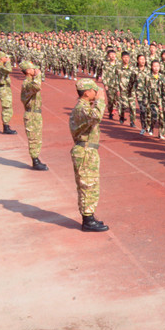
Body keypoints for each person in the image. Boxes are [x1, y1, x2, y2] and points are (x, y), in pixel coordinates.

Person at [69, 79, 109, 232]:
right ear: (86, 92)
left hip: (87, 150)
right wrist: (100, 101)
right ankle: (87, 220)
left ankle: (89, 216)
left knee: (91, 185)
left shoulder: (83, 107)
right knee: (87, 185)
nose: (96, 93)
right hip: (85, 151)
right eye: (94, 91)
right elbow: (97, 116)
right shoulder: (82, 109)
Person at [19, 61, 48, 170]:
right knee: (33, 138)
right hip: (31, 114)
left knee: (37, 137)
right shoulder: (27, 83)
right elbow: (36, 86)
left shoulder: (29, 81)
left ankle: (36, 158)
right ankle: (35, 161)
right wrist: (39, 75)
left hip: (35, 113)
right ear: (27, 71)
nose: (34, 70)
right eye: (32, 69)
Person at [0, 51, 17, 134]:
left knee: (8, 107)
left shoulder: (0, 66)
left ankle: (6, 125)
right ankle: (6, 127)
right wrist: (8, 63)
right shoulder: (0, 67)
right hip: (3, 89)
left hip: (5, 88)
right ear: (1, 58)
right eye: (5, 57)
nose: (7, 59)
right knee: (6, 107)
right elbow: (9, 70)